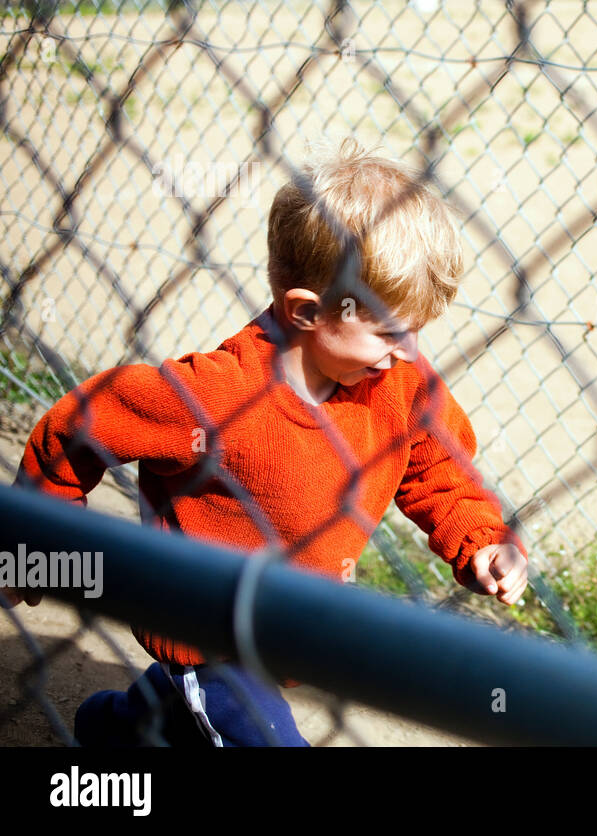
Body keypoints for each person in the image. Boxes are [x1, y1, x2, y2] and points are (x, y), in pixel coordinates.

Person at [3, 137, 528, 746]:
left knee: (182, 713)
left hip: (291, 625)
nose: (406, 353)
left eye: (414, 334)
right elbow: (82, 422)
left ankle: (119, 727)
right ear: (306, 312)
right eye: (388, 333)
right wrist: (34, 539)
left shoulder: (397, 381)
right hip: (207, 630)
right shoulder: (216, 397)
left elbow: (440, 468)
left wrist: (483, 540)